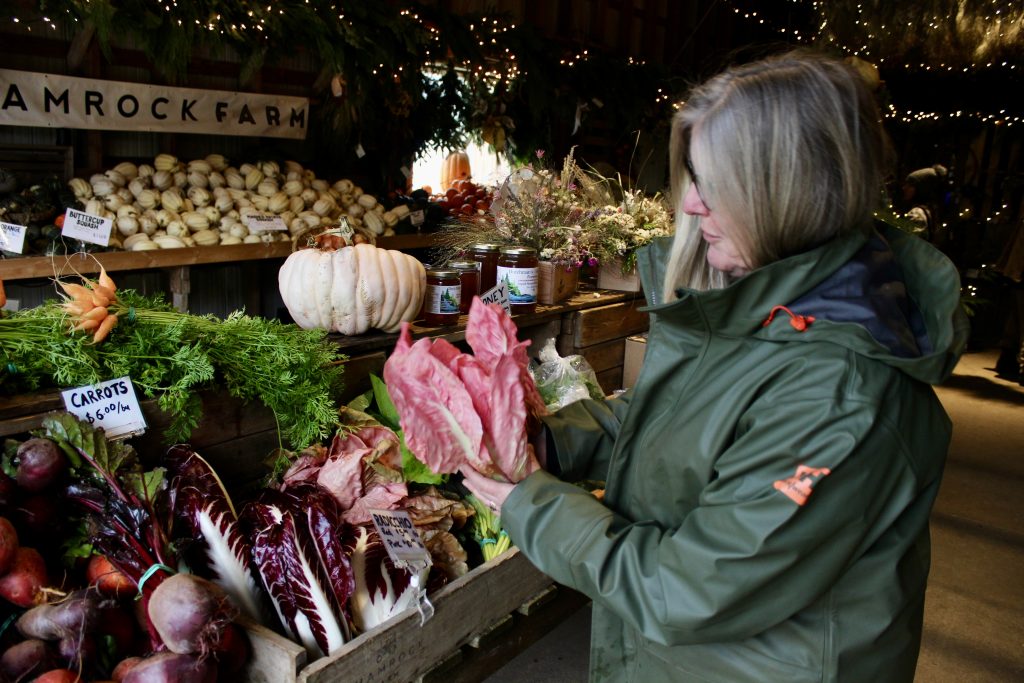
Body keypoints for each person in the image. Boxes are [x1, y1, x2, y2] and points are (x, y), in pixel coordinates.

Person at [463, 50, 969, 683]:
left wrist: (531, 505)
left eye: (715, 183)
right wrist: (546, 440)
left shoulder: (842, 395)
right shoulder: (766, 302)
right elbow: (674, 421)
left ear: (791, 191)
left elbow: (688, 589)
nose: (693, 205)